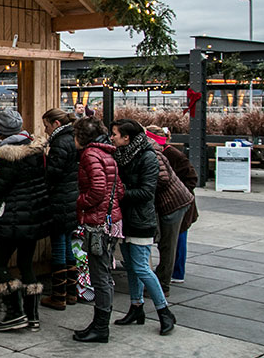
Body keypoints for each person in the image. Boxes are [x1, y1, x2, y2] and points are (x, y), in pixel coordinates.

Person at [0, 110, 51, 332]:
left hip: (13, 217)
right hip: (33, 215)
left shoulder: (9, 153)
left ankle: (14, 312)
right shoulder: (35, 148)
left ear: (0, 131)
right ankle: (33, 316)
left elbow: (0, 187)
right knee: (25, 264)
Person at [110, 119, 176, 335]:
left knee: (141, 268)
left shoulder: (147, 156)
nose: (112, 138)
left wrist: (119, 193)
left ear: (127, 137)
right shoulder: (122, 154)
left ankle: (164, 312)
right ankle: (136, 307)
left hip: (141, 220)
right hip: (127, 220)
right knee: (131, 266)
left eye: (115, 134)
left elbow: (147, 192)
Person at [71, 117, 123, 343]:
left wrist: (80, 202)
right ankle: (99, 323)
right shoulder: (106, 153)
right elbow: (118, 189)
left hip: (98, 222)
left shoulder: (90, 155)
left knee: (100, 275)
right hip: (110, 220)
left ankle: (101, 327)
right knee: (103, 272)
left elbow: (98, 190)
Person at [144, 127, 200, 285]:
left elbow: (191, 178)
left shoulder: (173, 154)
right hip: (173, 202)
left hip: (178, 203)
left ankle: (176, 272)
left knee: (176, 240)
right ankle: (169, 271)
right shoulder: (163, 152)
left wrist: (175, 189)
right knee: (171, 241)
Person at [40, 108, 80, 310]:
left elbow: (52, 174)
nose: (45, 130)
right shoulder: (72, 138)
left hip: (60, 200)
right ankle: (71, 292)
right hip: (71, 198)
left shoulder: (59, 142)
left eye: (46, 125)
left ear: (55, 124)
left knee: (59, 247)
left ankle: (59, 295)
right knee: (67, 245)